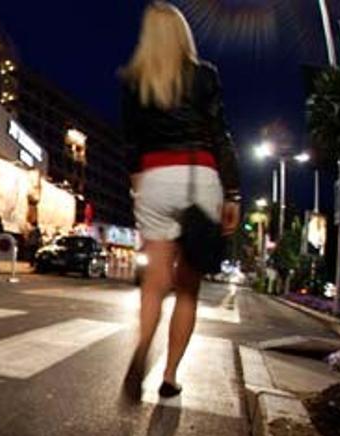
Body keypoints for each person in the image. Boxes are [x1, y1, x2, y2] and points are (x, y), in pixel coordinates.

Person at [120, 1, 239, 401]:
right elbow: (220, 134)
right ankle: (169, 375)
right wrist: (233, 192)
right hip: (199, 175)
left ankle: (142, 349)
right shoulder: (205, 76)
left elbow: (130, 144)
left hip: (154, 178)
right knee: (187, 289)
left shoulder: (134, 80)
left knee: (153, 285)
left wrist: (139, 188)